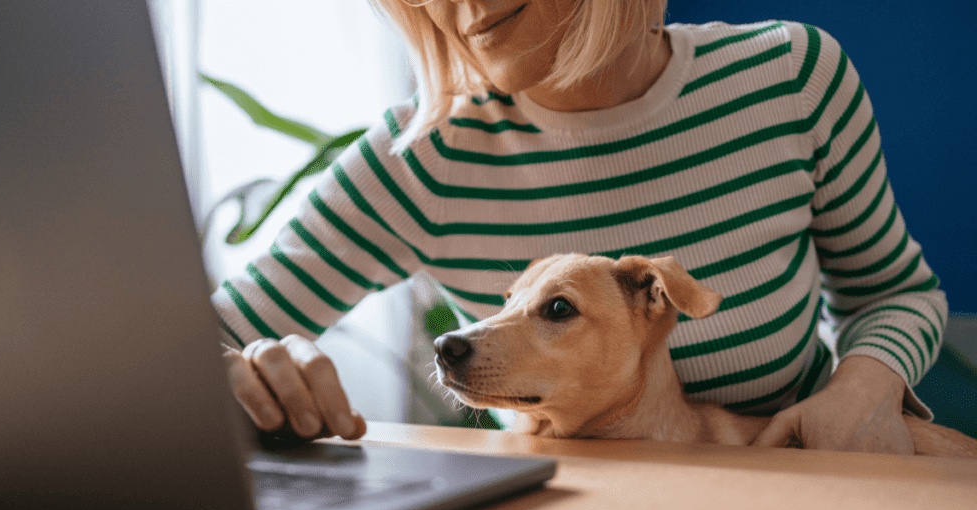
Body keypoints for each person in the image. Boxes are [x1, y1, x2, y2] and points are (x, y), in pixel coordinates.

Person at [213, 0, 948, 454]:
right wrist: (236, 375)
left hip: (813, 498)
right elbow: (200, 343)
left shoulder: (790, 77)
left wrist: (865, 384)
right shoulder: (420, 160)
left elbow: (895, 292)